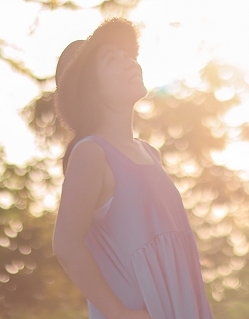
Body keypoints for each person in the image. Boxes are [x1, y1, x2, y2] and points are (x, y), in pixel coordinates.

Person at [52, 17, 216, 319]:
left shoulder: (149, 153)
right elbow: (65, 243)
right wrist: (117, 313)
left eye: (127, 54)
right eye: (111, 59)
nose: (129, 61)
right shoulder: (91, 153)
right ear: (92, 89)